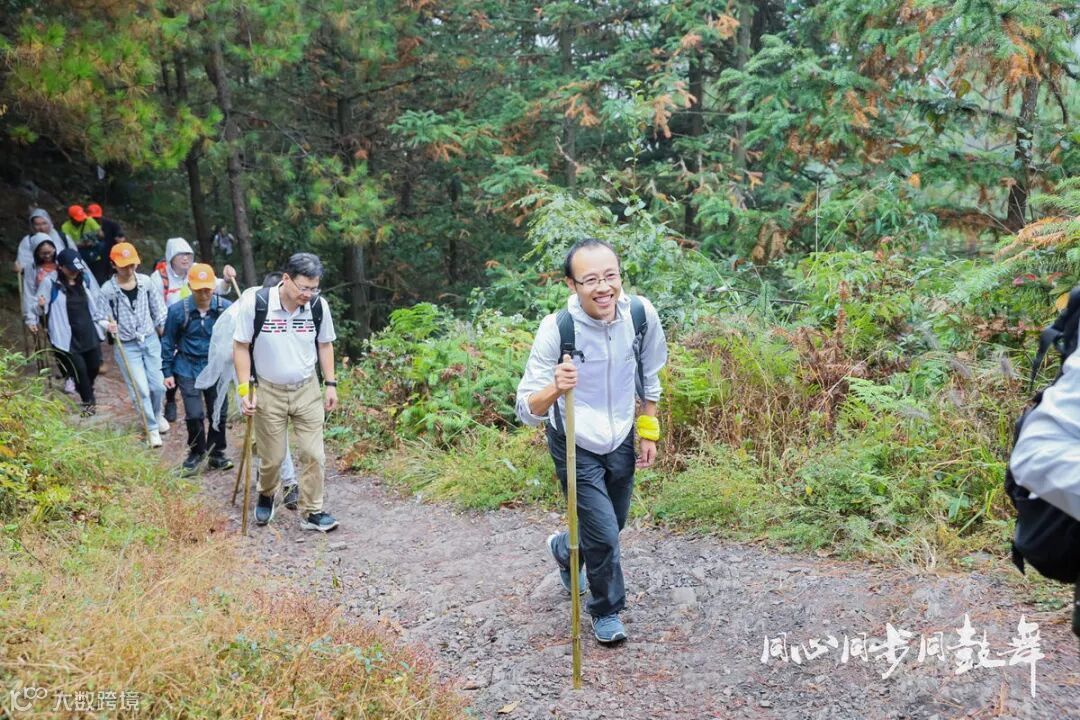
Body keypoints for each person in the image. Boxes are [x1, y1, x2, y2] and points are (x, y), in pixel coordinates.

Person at [515, 238, 668, 645]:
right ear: (572, 284)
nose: (603, 288)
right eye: (590, 280)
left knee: (613, 523)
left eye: (610, 276)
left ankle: (565, 548)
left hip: (620, 436)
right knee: (604, 534)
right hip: (574, 441)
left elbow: (649, 373)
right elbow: (526, 407)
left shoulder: (640, 315)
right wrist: (555, 387)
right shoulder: (557, 329)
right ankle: (606, 611)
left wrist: (648, 429)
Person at [233, 253, 339, 532]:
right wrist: (245, 390)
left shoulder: (317, 306)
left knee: (314, 454)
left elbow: (325, 344)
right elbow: (241, 346)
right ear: (286, 279)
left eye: (314, 288)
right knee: (273, 458)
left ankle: (312, 511)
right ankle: (267, 493)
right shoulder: (257, 304)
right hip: (268, 390)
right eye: (304, 287)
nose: (309, 294)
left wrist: (330, 384)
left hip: (307, 389)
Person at [197, 272, 300, 504]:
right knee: (268, 430)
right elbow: (230, 354)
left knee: (274, 430)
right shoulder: (245, 310)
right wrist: (246, 389)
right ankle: (284, 480)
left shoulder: (292, 308)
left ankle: (280, 477)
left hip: (278, 378)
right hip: (251, 380)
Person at [150, 237, 236, 423]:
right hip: (172, 323)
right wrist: (164, 329)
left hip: (197, 325)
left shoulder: (198, 270)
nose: (185, 258)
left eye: (188, 254)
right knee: (176, 366)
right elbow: (156, 305)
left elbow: (218, 286)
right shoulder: (160, 278)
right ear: (171, 257)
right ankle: (171, 401)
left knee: (216, 408)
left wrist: (227, 281)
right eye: (180, 255)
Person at [162, 264, 234, 475]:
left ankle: (216, 453)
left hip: (216, 366)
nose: (204, 293)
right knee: (194, 414)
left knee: (218, 412)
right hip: (187, 366)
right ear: (190, 287)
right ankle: (196, 452)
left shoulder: (226, 309)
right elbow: (168, 341)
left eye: (208, 288)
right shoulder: (177, 311)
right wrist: (167, 371)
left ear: (214, 287)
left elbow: (238, 337)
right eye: (199, 289)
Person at [99, 242, 169, 446]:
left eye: (132, 265)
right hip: (126, 345)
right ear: (114, 265)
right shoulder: (108, 290)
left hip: (150, 339)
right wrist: (108, 325)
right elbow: (99, 316)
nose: (129, 269)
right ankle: (151, 427)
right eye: (124, 266)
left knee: (158, 386)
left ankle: (157, 414)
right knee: (140, 389)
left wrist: (165, 332)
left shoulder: (146, 283)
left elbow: (159, 310)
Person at [35, 249, 107, 416]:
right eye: (71, 269)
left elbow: (96, 301)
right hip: (66, 336)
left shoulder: (84, 279)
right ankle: (88, 402)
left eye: (77, 269)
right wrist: (40, 305)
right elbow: (38, 308)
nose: (75, 272)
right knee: (79, 370)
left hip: (88, 331)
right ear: (60, 267)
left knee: (94, 366)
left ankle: (86, 388)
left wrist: (104, 321)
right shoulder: (50, 283)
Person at [15, 208, 76, 275]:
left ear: (49, 222)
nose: (41, 228)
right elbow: (23, 263)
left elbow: (75, 257)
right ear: (32, 225)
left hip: (65, 276)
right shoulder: (27, 241)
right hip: (37, 277)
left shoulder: (62, 237)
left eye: (44, 223)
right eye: (37, 224)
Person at [86, 203, 123, 285]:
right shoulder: (85, 225)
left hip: (109, 255)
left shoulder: (110, 224)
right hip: (94, 256)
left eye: (96, 218)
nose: (94, 220)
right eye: (92, 218)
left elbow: (120, 237)